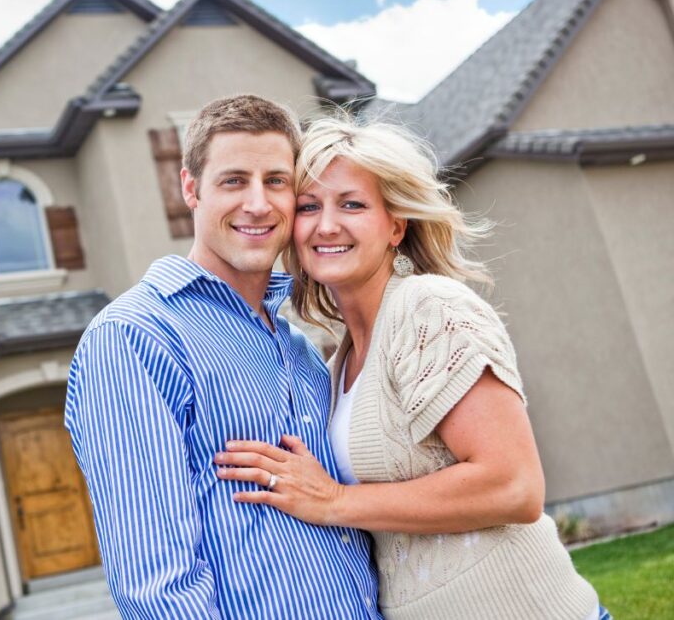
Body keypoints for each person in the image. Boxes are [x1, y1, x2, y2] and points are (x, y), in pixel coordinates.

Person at [214, 114, 608, 620]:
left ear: (395, 224)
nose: (326, 224)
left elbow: (514, 486)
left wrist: (332, 501)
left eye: (352, 204)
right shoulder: (338, 363)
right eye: (309, 206)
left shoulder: (429, 309)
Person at [65, 95, 381, 619]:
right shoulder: (133, 337)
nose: (258, 204)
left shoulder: (298, 349)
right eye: (234, 181)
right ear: (190, 189)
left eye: (276, 181)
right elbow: (156, 585)